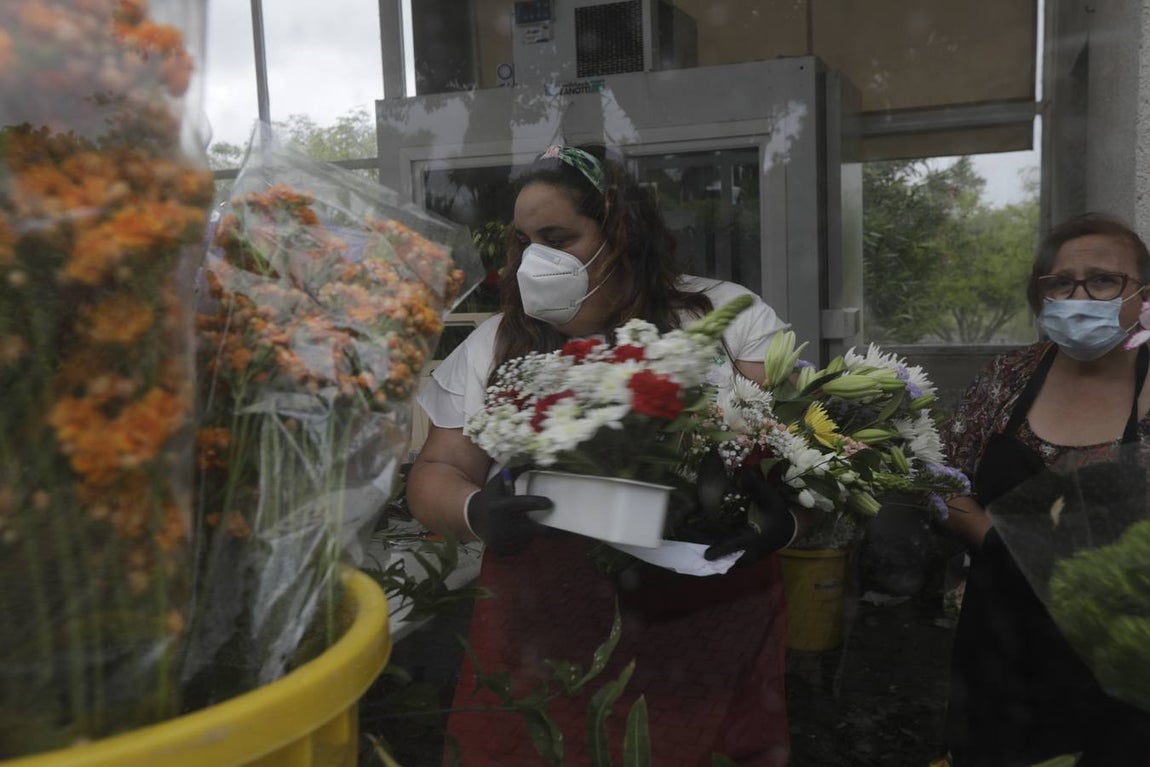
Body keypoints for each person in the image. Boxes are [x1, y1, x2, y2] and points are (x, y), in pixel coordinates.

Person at [407, 144, 799, 766]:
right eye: (524, 242)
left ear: (621, 232)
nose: (534, 260)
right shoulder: (496, 343)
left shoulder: (727, 318)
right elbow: (437, 470)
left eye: (557, 238)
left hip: (707, 626)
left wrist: (792, 518)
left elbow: (803, 450)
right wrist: (476, 511)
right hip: (546, 636)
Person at [940, 212, 1150, 766]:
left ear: (1144, 296)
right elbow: (941, 478)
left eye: (1103, 281)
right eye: (1061, 282)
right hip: (1003, 647)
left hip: (1126, 653)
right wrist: (997, 542)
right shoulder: (1007, 377)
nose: (1079, 297)